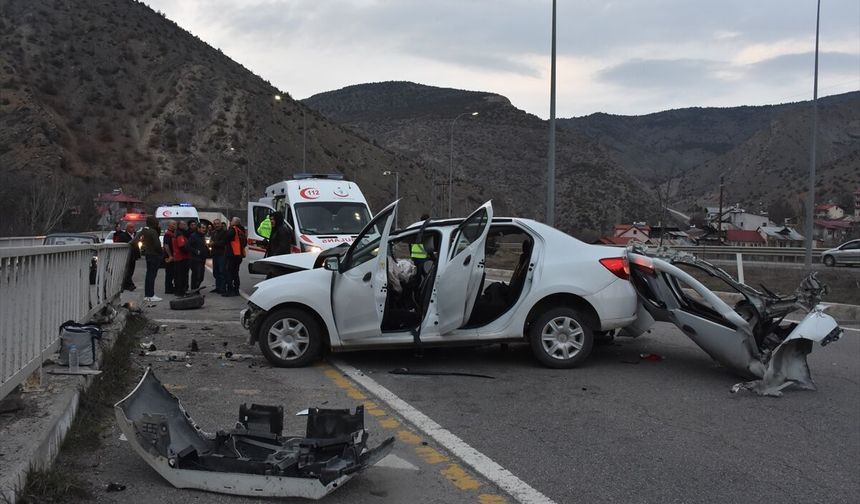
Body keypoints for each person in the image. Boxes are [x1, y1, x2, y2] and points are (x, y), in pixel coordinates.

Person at [140, 216, 163, 302]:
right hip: (154, 255)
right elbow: (157, 244)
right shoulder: (153, 232)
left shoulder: (146, 231)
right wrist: (161, 252)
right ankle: (150, 295)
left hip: (148, 254)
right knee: (152, 275)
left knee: (149, 275)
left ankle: (147, 295)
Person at [114, 222, 140, 291]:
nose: (133, 229)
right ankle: (130, 285)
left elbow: (136, 245)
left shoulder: (134, 235)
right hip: (126, 256)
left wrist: (138, 255)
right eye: (131, 227)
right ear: (127, 228)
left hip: (133, 256)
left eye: (133, 227)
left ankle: (126, 285)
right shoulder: (123, 235)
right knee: (127, 271)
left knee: (131, 271)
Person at [224, 217, 246, 297]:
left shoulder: (233, 229)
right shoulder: (242, 230)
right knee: (235, 272)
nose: (230, 222)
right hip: (239, 255)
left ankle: (229, 290)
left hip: (232, 254)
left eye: (232, 221)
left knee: (229, 272)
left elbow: (226, 238)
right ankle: (236, 290)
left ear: (235, 222)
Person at [171, 221, 191, 296]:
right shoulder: (180, 235)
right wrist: (190, 250)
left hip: (178, 257)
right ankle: (181, 291)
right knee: (181, 276)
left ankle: (178, 290)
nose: (185, 225)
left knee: (178, 275)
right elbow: (182, 246)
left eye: (185, 224)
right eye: (183, 224)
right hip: (182, 258)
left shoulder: (177, 233)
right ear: (179, 225)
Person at [188, 220, 209, 290]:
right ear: (198, 228)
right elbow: (187, 246)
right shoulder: (193, 236)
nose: (204, 229)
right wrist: (196, 251)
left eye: (205, 228)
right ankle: (194, 290)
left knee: (201, 277)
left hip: (202, 259)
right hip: (195, 259)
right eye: (202, 228)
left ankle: (196, 289)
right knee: (196, 276)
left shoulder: (202, 236)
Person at [210, 219, 228, 294]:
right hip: (215, 254)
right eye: (215, 224)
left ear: (221, 224)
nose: (216, 225)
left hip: (222, 254)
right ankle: (218, 287)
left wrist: (214, 243)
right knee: (216, 272)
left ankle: (223, 288)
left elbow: (223, 243)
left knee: (222, 272)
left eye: (218, 224)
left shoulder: (225, 232)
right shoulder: (213, 232)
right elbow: (211, 241)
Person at [162, 220, 176, 294]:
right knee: (169, 273)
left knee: (172, 273)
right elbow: (166, 245)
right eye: (173, 224)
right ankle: (168, 289)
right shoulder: (168, 234)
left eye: (175, 224)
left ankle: (170, 287)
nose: (175, 225)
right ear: (169, 225)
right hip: (169, 257)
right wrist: (170, 256)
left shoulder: (173, 233)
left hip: (173, 256)